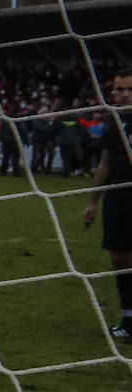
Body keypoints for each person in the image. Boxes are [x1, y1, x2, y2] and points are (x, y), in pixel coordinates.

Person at [84, 69, 132, 344]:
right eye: (119, 89)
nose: (123, 94)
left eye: (129, 89)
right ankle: (128, 319)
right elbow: (104, 164)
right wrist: (92, 203)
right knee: (120, 259)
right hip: (116, 197)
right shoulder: (113, 122)